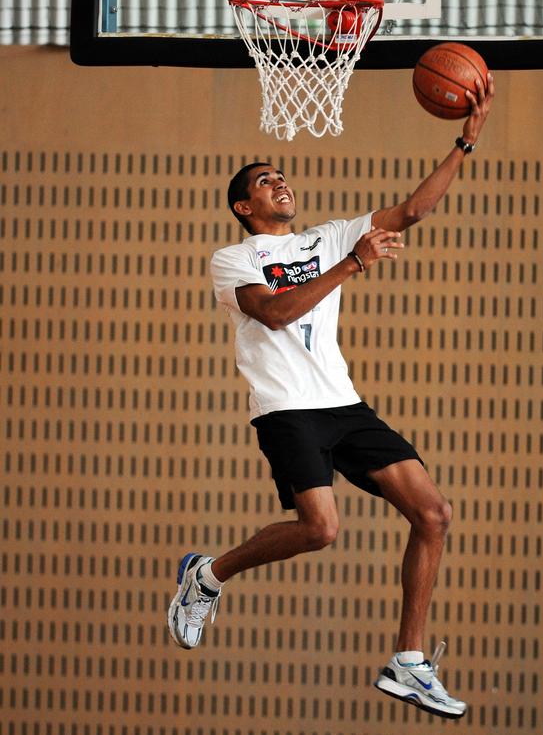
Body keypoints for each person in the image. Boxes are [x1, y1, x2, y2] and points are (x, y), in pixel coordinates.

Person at [168, 74, 495, 718]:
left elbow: (413, 211)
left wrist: (465, 143)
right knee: (320, 530)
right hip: (287, 410)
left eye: (282, 174)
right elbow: (278, 313)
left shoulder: (327, 236)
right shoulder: (232, 260)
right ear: (242, 206)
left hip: (343, 404)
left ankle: (409, 660)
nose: (280, 183)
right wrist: (355, 264)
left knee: (434, 515)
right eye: (264, 180)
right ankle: (206, 576)